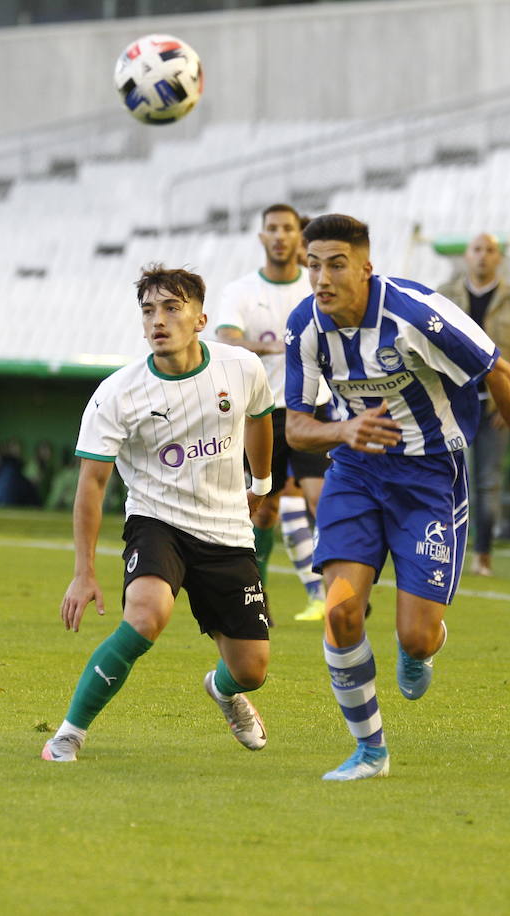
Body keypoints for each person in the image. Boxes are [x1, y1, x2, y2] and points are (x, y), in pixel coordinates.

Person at [284, 214, 510, 781]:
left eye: (336, 264)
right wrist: (342, 431)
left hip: (428, 479)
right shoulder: (306, 329)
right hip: (356, 476)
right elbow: (297, 426)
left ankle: (419, 649)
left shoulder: (417, 315)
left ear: (366, 267)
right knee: (342, 613)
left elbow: (502, 373)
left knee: (416, 634)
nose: (321, 278)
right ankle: (370, 752)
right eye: (313, 264)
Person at [42, 264, 276, 764]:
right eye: (149, 310)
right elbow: (92, 485)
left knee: (252, 669)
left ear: (200, 319)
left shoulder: (241, 368)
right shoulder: (118, 393)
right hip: (157, 521)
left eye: (172, 308)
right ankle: (68, 733)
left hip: (228, 530)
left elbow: (259, 418)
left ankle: (224, 690)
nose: (158, 320)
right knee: (146, 616)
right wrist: (83, 573)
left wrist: (262, 483)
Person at [215, 203, 330, 620]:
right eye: (272, 229)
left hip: (313, 409)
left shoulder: (317, 285)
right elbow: (227, 338)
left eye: (287, 228)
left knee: (322, 497)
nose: (280, 236)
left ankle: (337, 592)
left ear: (300, 237)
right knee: (262, 507)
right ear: (262, 237)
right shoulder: (242, 290)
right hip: (261, 413)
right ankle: (255, 593)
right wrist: (277, 346)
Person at [437, 233, 510, 576]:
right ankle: (445, 551)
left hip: (494, 406)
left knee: (488, 482)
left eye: (490, 250)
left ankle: (483, 554)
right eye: (477, 250)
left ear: (500, 258)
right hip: (452, 403)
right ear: (466, 256)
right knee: (447, 477)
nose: (483, 256)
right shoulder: (445, 294)